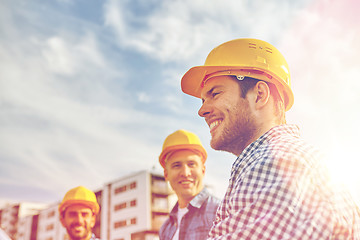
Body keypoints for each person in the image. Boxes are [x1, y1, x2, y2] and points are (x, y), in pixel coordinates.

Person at [181, 38, 360, 239]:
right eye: (203, 100)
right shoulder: (297, 159)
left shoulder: (274, 164)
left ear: (259, 95)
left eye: (215, 93)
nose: (202, 110)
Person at [158, 129, 220, 240]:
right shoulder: (166, 228)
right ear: (166, 174)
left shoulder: (220, 212)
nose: (186, 173)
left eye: (191, 164)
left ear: (203, 170)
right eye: (177, 165)